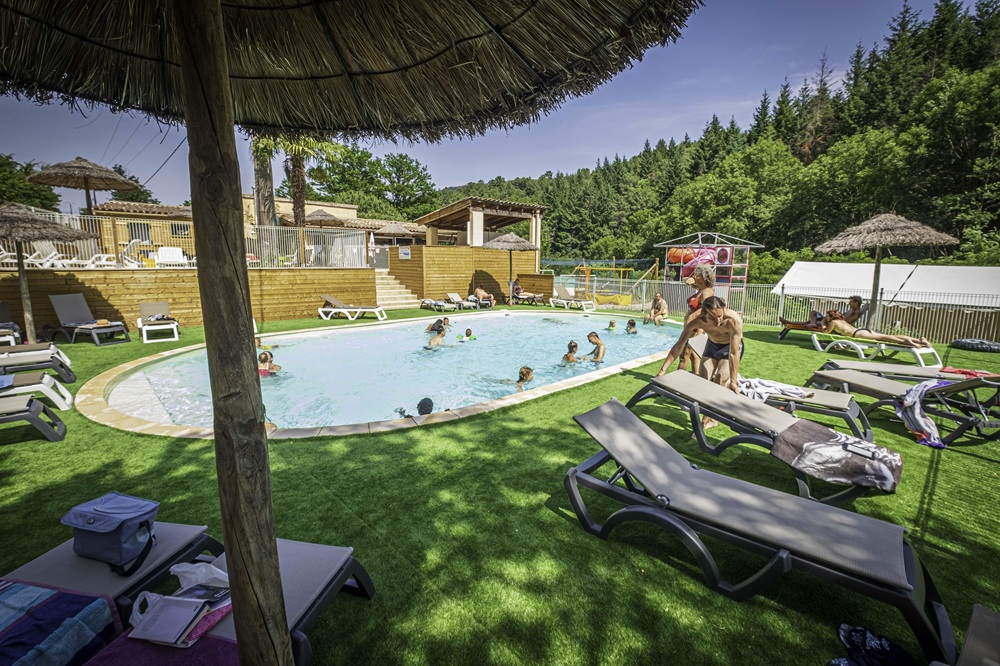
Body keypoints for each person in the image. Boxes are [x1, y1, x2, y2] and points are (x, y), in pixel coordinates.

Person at [656, 296, 744, 396]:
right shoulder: (697, 321)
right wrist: (663, 371)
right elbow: (679, 345)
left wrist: (733, 381)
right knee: (702, 383)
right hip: (712, 345)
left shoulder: (733, 320)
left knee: (719, 382)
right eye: (712, 318)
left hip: (729, 347)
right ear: (704, 314)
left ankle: (726, 385)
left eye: (720, 316)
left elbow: (734, 353)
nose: (718, 321)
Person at [678, 264, 716, 373]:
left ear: (703, 277)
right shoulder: (701, 289)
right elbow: (686, 281)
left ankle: (676, 383)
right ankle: (697, 379)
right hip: (691, 329)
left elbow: (706, 314)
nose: (694, 276)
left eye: (696, 275)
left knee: (683, 355)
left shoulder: (706, 293)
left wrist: (699, 333)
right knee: (694, 356)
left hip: (695, 330)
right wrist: (688, 280)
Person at [819, 312, 929, 348]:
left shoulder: (833, 322)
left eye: (827, 316)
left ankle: (907, 342)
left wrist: (823, 324)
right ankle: (918, 340)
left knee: (883, 338)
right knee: (886, 335)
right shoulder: (842, 321)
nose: (826, 318)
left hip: (858, 334)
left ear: (830, 316)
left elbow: (826, 332)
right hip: (862, 330)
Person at [781, 296, 864, 329]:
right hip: (830, 320)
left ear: (856, 303)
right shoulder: (852, 310)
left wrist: (833, 316)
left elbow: (844, 322)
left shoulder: (855, 313)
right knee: (813, 313)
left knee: (810, 320)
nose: (849, 303)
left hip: (831, 323)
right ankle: (812, 323)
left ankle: (788, 322)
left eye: (851, 302)